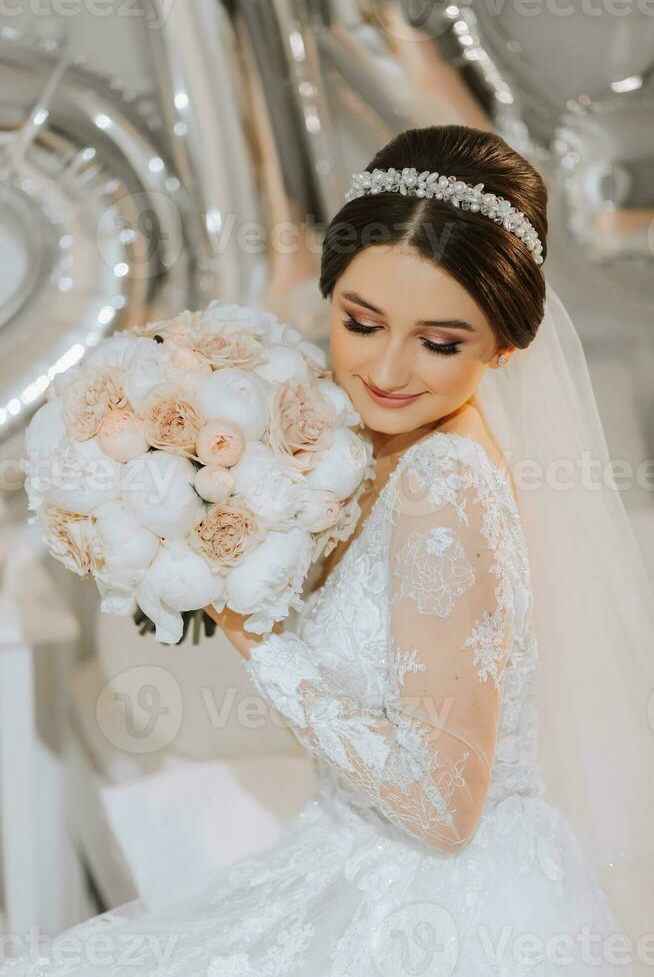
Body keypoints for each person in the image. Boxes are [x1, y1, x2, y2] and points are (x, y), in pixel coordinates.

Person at [3, 124, 654, 976]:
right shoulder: (371, 444)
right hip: (349, 854)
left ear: (504, 345)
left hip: (443, 911)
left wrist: (253, 634)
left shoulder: (444, 484)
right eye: (362, 320)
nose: (386, 368)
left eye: (440, 341)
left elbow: (443, 805)